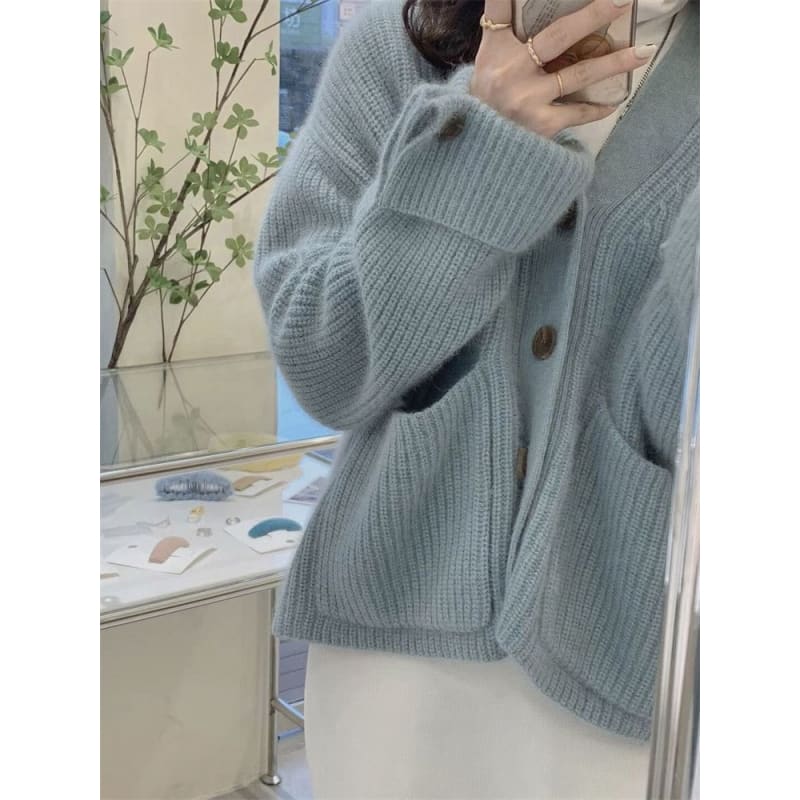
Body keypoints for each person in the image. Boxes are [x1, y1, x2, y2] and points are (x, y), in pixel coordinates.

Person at [253, 0, 699, 797]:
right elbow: (325, 360)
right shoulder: (395, 49)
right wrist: (476, 145)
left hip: (623, 663)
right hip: (393, 655)